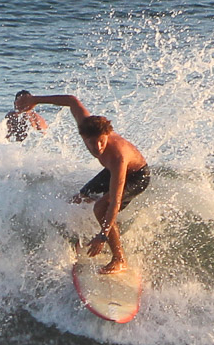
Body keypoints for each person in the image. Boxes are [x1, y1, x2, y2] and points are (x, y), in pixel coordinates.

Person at [12, 90, 150, 275]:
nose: (98, 147)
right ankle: (83, 240)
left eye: (102, 141)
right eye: (93, 143)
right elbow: (71, 100)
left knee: (102, 207)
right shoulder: (85, 125)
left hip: (137, 176)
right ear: (83, 136)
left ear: (107, 135)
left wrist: (103, 235)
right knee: (78, 200)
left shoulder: (117, 156)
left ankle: (119, 259)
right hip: (110, 171)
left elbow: (115, 201)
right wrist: (35, 100)